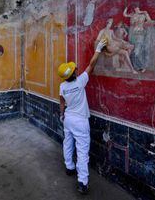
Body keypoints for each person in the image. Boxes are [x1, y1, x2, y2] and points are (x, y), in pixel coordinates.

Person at [57, 39, 107, 195]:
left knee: (67, 143)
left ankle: (69, 167)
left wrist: (61, 114)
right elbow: (91, 65)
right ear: (73, 74)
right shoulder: (80, 82)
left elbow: (61, 101)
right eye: (74, 69)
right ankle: (82, 182)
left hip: (68, 119)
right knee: (82, 152)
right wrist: (98, 48)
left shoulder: (63, 86)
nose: (77, 69)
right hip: (80, 121)